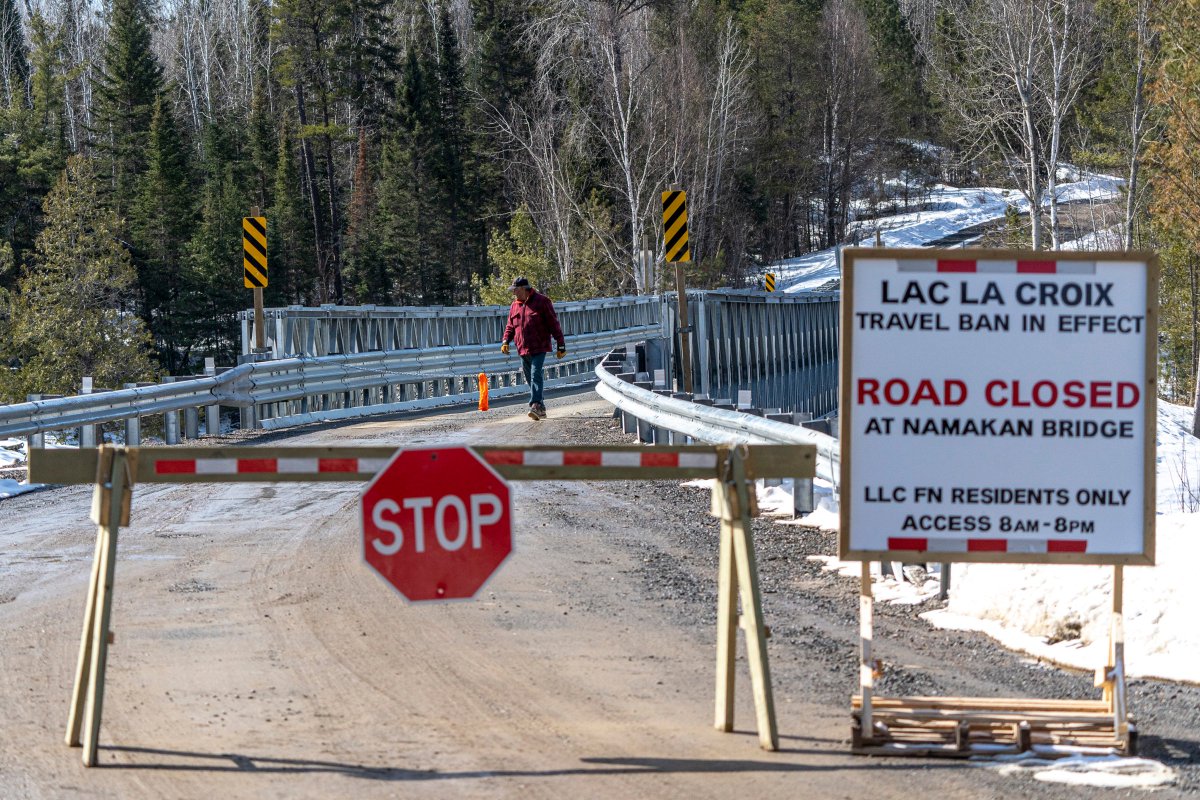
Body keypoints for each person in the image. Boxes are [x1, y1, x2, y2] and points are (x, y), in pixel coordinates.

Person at [500, 277, 566, 420]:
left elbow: (554, 324)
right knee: (530, 378)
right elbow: (510, 326)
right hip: (522, 348)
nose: (514, 293)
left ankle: (535, 404)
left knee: (536, 374)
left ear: (524, 288)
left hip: (539, 346)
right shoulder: (514, 306)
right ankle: (541, 407)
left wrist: (560, 344)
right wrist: (505, 341)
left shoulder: (542, 302)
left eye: (515, 290)